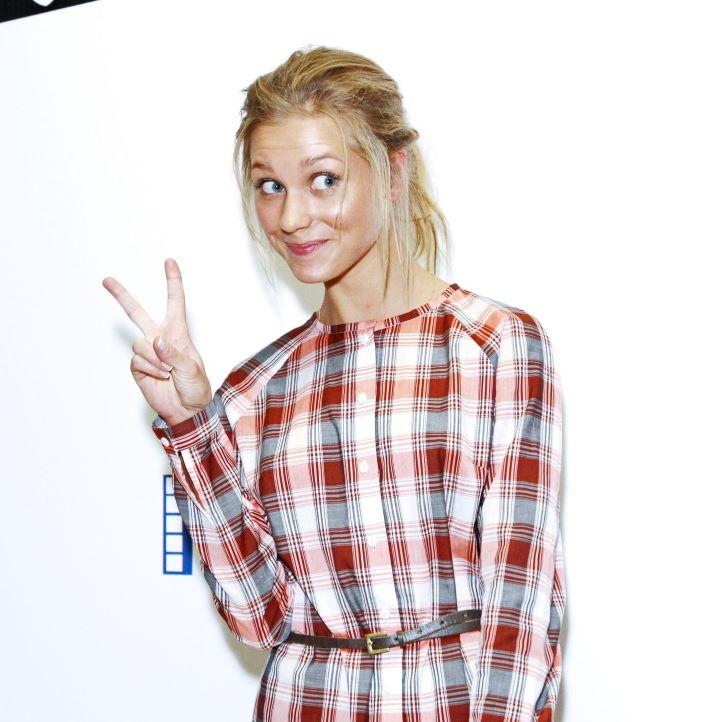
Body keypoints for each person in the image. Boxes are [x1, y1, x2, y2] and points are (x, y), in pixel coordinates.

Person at [102, 46, 566, 722]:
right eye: (270, 186)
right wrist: (192, 425)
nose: (292, 217)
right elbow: (257, 619)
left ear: (395, 172)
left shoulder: (495, 346)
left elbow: (520, 604)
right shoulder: (253, 390)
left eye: (324, 180)